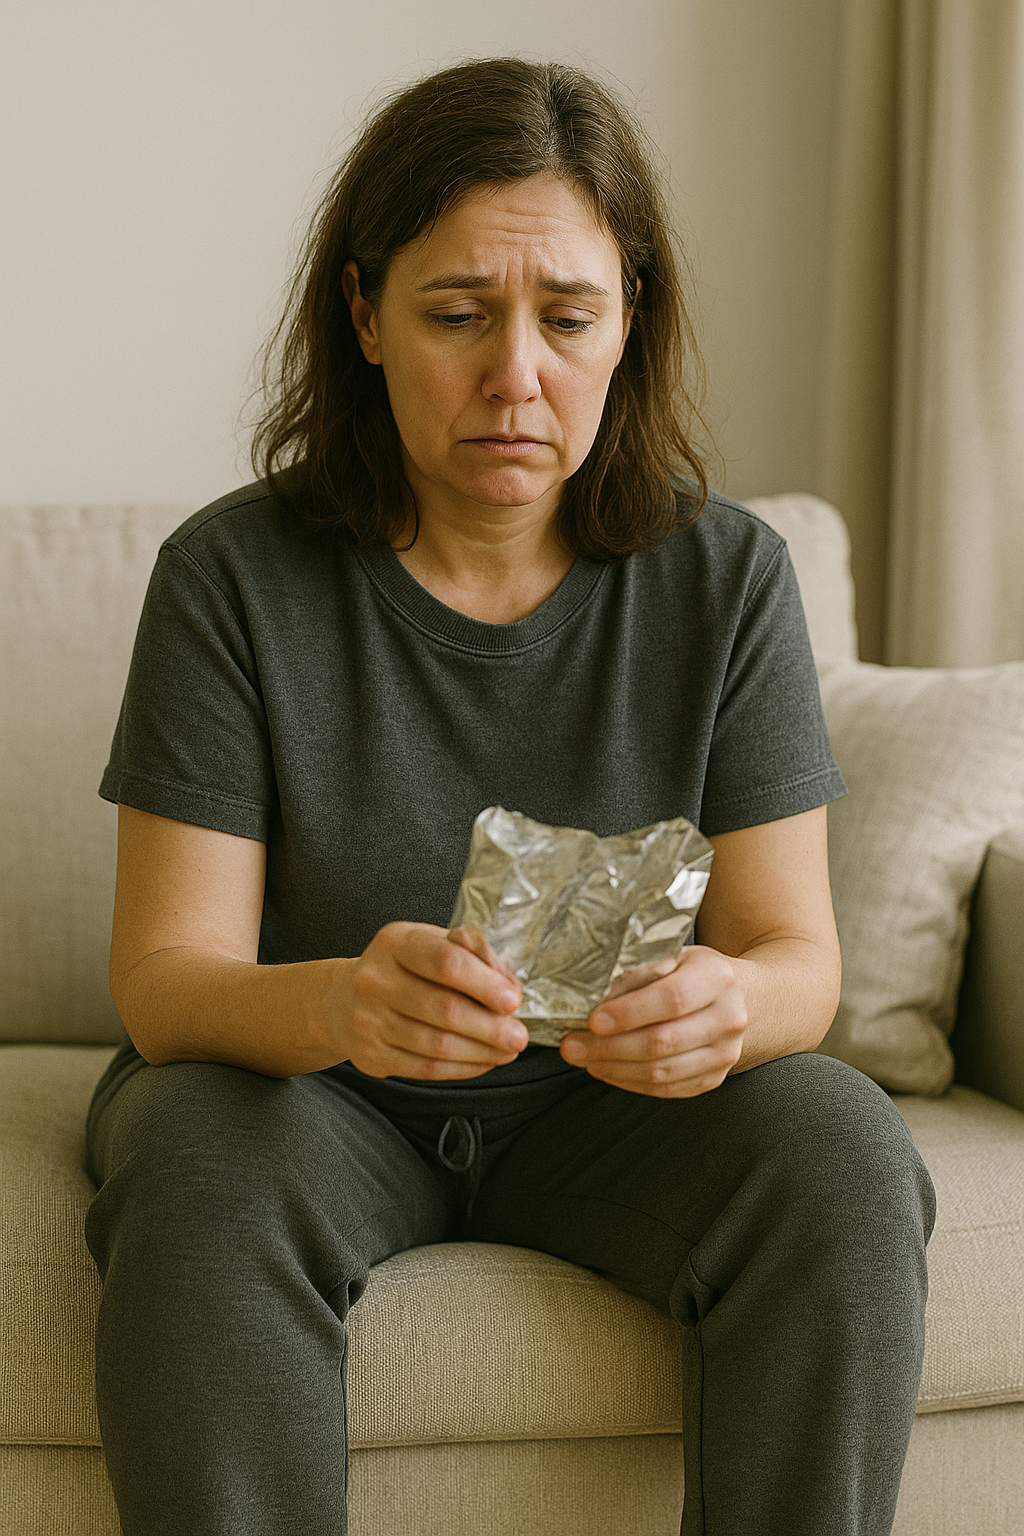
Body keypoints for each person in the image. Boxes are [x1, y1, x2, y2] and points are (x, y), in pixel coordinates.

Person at [83, 57, 935, 1536]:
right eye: (458, 315)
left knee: (846, 1147)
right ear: (363, 315)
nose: (516, 377)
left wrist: (730, 1005)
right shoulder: (231, 581)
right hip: (315, 1102)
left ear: (633, 322)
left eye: (568, 319)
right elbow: (168, 983)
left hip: (613, 1117)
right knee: (194, 1159)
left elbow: (799, 959)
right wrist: (346, 1004)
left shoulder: (729, 579)